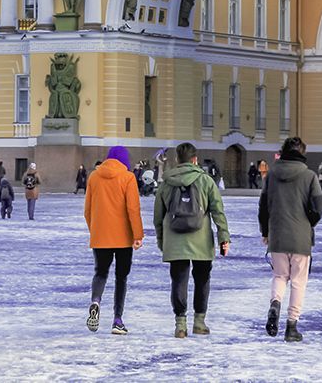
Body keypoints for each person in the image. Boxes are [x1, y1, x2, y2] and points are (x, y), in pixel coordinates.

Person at [155, 142, 231, 339]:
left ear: (177, 161)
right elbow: (217, 211)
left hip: (175, 240)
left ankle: (180, 325)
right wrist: (224, 237)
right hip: (202, 240)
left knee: (179, 280)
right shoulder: (206, 181)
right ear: (195, 159)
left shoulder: (166, 182)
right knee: (202, 280)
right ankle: (199, 322)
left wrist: (162, 241)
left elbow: (158, 217)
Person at [259, 136, 322, 343]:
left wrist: (265, 231)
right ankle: (291, 326)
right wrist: (309, 222)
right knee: (298, 282)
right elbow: (319, 205)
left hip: (277, 235)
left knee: (279, 276)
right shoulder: (309, 176)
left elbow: (263, 206)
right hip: (300, 237)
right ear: (302, 153)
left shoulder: (271, 175)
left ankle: (275, 302)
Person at [84, 145, 144, 336]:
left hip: (100, 235)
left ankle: (95, 301)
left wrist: (94, 230)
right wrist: (138, 235)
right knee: (121, 278)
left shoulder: (94, 177)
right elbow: (133, 209)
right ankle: (117, 320)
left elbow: (87, 209)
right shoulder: (128, 177)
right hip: (124, 238)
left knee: (100, 272)